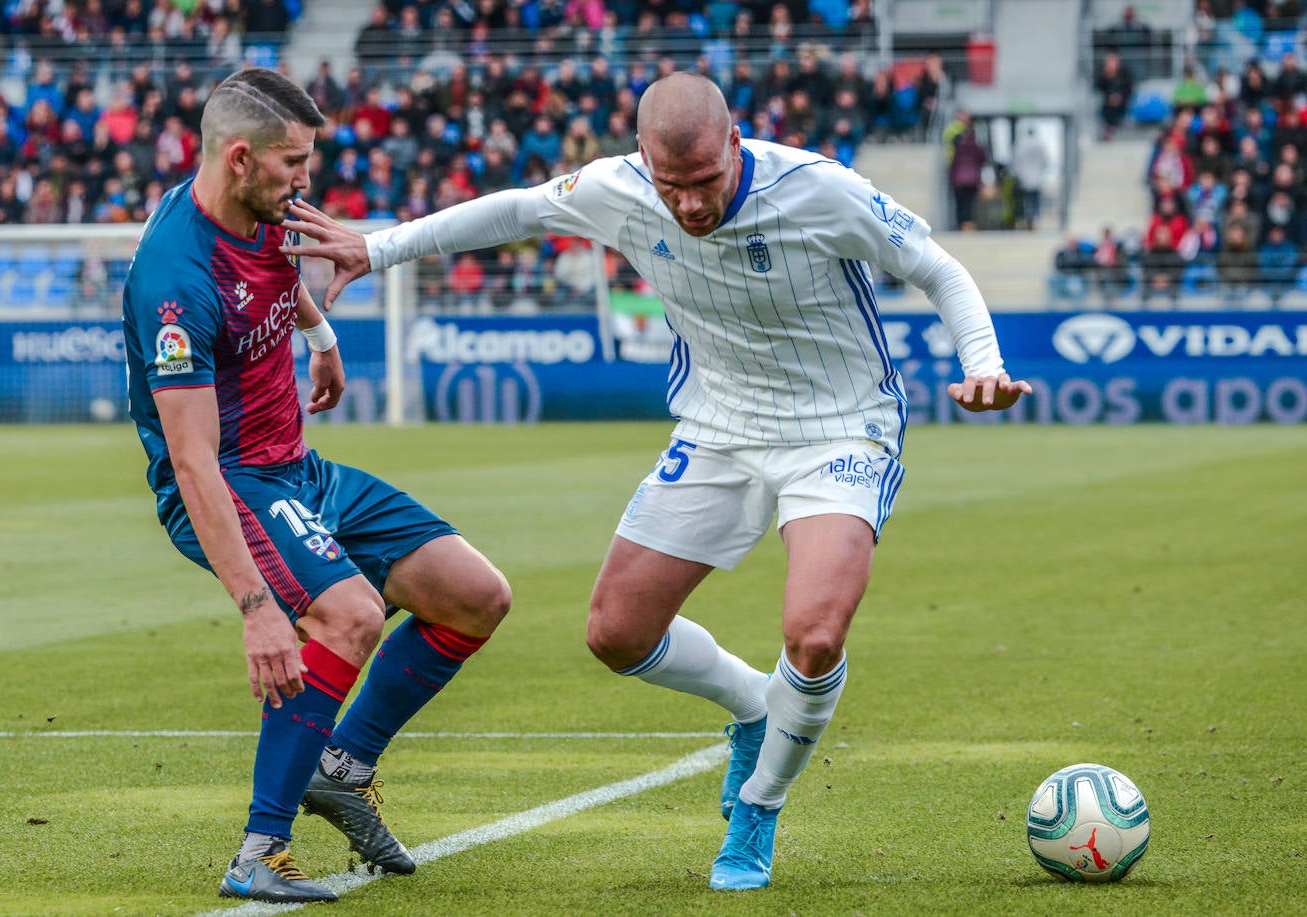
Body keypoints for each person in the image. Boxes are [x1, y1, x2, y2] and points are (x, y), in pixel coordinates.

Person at [283, 71, 1030, 892]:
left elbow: (938, 268)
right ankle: (756, 706)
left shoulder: (819, 189)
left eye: (707, 181)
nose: (692, 205)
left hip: (840, 430)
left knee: (814, 634)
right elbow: (518, 209)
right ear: (644, 160)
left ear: (736, 146)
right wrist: (377, 246)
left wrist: (983, 365)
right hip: (716, 429)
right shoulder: (619, 188)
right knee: (615, 632)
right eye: (673, 186)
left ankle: (757, 804)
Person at [120, 68, 510, 904]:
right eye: (293, 161)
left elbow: (276, 271)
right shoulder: (174, 280)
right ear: (238, 159)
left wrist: (323, 335)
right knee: (351, 614)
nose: (308, 180)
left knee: (476, 595)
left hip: (301, 470)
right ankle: (262, 848)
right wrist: (259, 609)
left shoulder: (262, 209)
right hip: (234, 485)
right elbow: (192, 461)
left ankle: (343, 765)